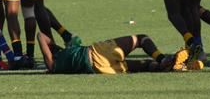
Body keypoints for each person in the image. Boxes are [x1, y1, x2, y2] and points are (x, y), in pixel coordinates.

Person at [37, 32, 189, 74]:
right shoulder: (52, 63)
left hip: (101, 69)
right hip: (98, 52)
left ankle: (165, 67)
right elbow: (40, 36)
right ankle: (163, 60)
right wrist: (54, 47)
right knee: (141, 39)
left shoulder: (56, 67)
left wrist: (57, 50)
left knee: (146, 65)